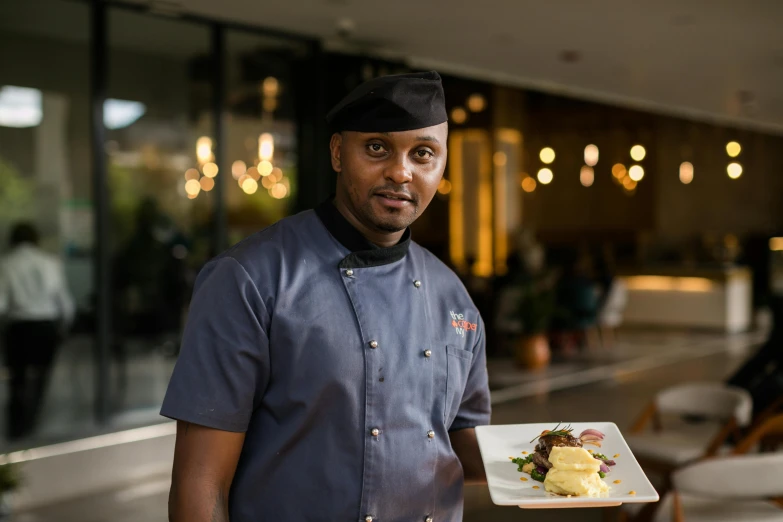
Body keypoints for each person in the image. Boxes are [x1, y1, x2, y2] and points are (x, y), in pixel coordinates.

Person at [163, 71, 491, 522]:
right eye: (377, 148)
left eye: (423, 153)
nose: (400, 171)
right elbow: (200, 483)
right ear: (338, 153)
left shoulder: (452, 296)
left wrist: (556, 462)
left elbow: (455, 440)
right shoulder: (250, 279)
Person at [0, 222, 75, 440]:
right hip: (45, 326)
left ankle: (18, 428)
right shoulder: (49, 262)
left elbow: (2, 302)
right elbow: (63, 300)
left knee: (18, 379)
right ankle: (33, 423)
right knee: (41, 377)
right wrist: (65, 326)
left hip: (19, 326)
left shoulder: (7, 263)